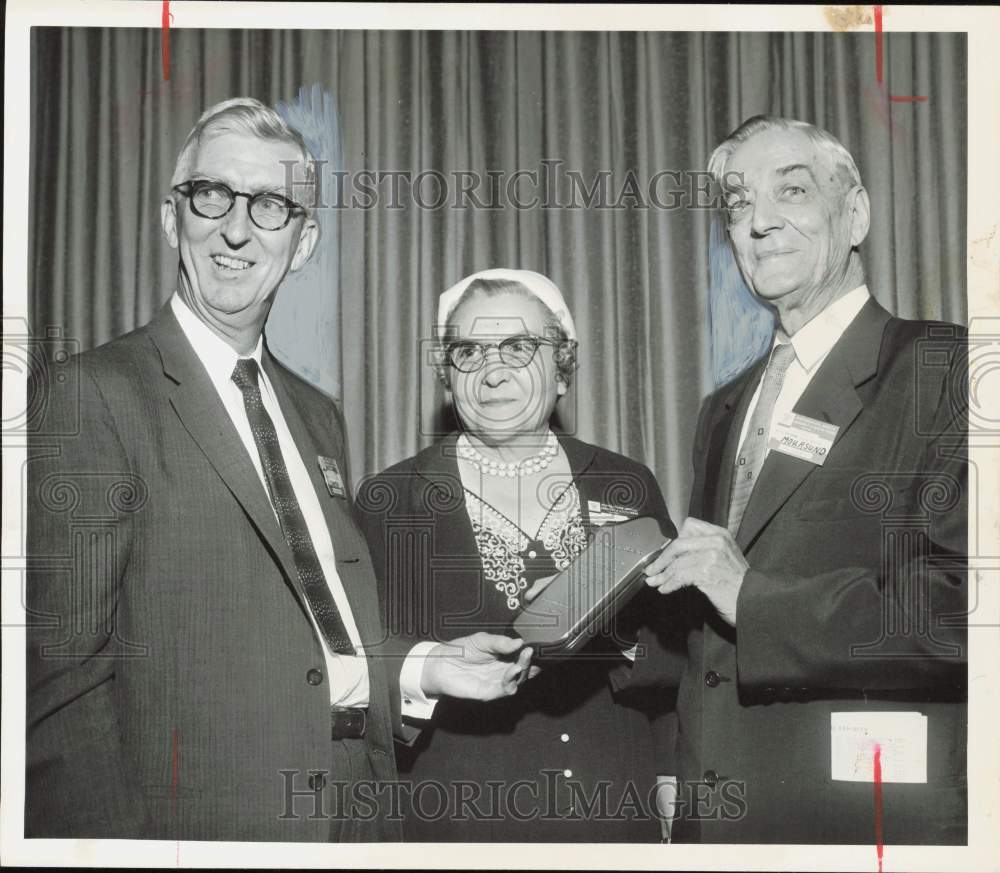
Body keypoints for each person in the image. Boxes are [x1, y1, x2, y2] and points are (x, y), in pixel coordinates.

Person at [24, 98, 534, 842]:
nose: (237, 229)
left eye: (271, 206)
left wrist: (426, 665)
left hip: (362, 815)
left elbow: (300, 637)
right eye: (213, 195)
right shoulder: (91, 395)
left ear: (302, 242)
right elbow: (62, 687)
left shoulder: (318, 414)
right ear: (174, 218)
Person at [630, 116, 968, 843]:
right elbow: (711, 633)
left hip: (865, 821)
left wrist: (753, 595)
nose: (759, 223)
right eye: (737, 201)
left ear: (856, 215)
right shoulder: (724, 407)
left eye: (792, 190)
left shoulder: (945, 369)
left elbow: (965, 611)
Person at [356, 269, 679, 841]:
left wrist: (612, 632)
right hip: (459, 820)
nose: (493, 370)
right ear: (448, 381)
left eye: (518, 347)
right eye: (468, 352)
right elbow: (355, 660)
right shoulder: (390, 500)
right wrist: (430, 667)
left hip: (610, 814)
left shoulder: (623, 483)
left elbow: (682, 653)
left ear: (562, 369)